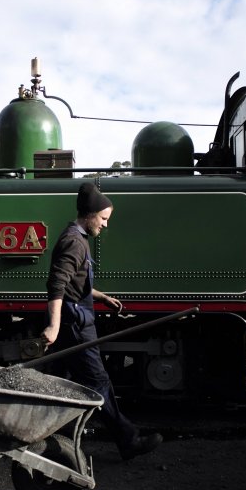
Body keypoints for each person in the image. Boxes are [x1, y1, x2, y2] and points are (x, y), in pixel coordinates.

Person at [41, 182, 163, 460]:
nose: (106, 225)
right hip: (75, 324)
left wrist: (101, 296)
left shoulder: (77, 236)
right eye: (104, 218)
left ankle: (50, 438)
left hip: (76, 319)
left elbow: (75, 281)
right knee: (97, 380)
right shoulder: (74, 241)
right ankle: (127, 439)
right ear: (90, 214)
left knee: (60, 381)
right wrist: (54, 325)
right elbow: (57, 284)